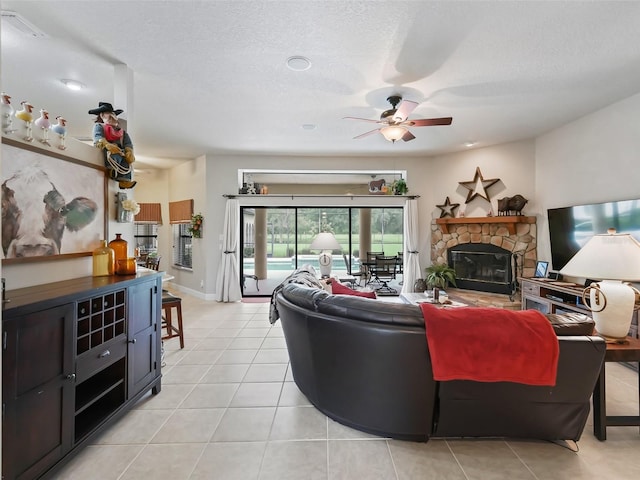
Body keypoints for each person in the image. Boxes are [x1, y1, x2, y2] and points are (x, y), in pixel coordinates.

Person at [88, 102, 136, 188]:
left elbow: (128, 143)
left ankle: (124, 180)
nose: (111, 117)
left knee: (126, 162)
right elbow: (98, 136)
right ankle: (112, 170)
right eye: (108, 114)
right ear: (102, 116)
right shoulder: (99, 126)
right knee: (114, 156)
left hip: (121, 152)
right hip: (109, 151)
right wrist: (106, 144)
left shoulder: (122, 133)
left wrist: (129, 151)